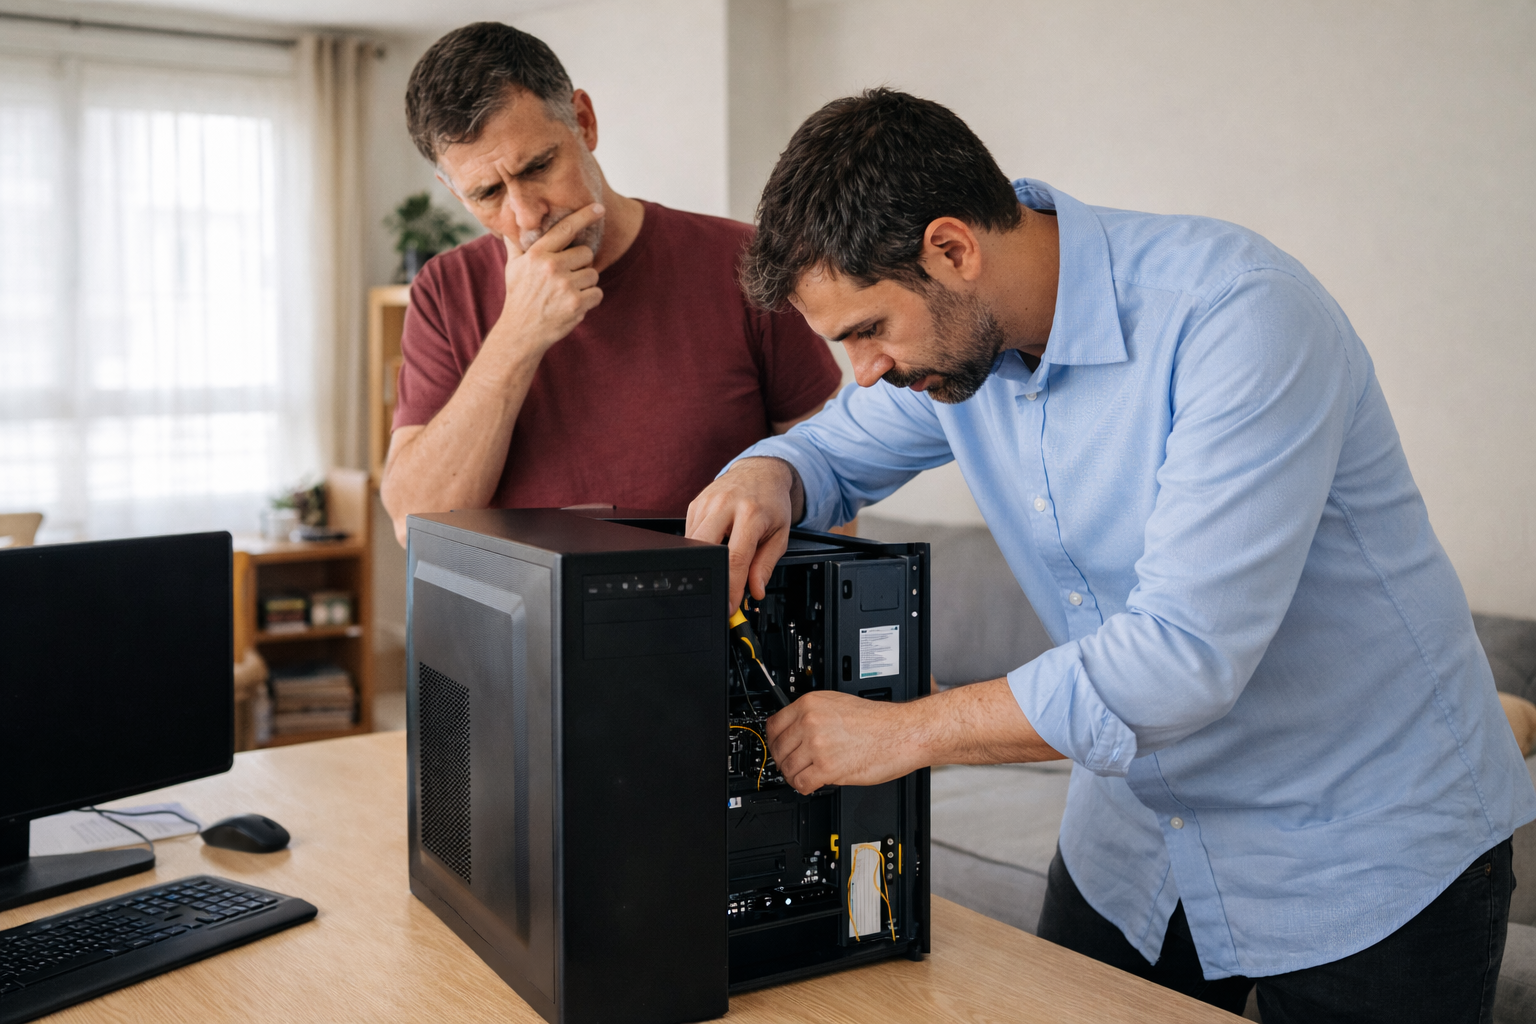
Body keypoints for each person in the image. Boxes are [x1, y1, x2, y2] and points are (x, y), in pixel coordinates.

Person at [686, 88, 1536, 1023]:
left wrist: (901, 733)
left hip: (1362, 851)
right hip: (1136, 845)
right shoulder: (958, 348)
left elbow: (1180, 660)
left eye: (867, 330)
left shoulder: (1239, 317)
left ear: (952, 250)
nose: (865, 369)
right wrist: (770, 469)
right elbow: (833, 447)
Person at [379, 23, 842, 545]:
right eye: (488, 193)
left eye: (538, 166)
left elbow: (831, 477)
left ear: (584, 121)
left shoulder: (743, 261)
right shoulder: (444, 291)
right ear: (455, 193)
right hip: (522, 602)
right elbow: (412, 522)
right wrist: (517, 337)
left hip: (718, 596)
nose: (526, 214)